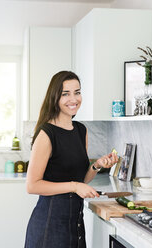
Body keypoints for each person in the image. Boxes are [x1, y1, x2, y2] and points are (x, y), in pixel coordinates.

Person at [24, 71, 118, 248]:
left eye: (77, 92)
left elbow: (81, 179)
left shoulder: (81, 130)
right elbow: (32, 185)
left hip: (75, 224)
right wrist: (75, 186)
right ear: (55, 97)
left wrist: (97, 165)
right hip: (49, 226)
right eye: (65, 94)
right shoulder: (46, 133)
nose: (73, 99)